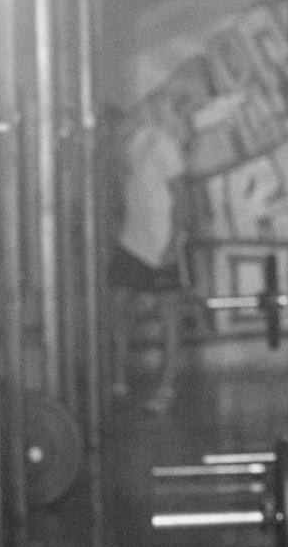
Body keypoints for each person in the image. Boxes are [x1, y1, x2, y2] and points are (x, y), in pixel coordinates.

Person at [106, 101, 191, 417]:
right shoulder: (121, 152)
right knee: (116, 308)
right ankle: (117, 381)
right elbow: (121, 195)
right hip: (131, 240)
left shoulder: (160, 142)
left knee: (168, 316)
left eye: (118, 124)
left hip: (160, 241)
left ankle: (166, 387)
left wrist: (176, 237)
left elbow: (181, 192)